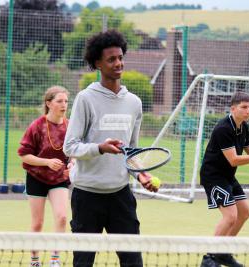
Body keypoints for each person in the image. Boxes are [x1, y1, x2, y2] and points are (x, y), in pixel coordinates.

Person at [63, 29, 158, 267]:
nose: (118, 63)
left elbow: (132, 152)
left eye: (120, 58)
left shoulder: (134, 103)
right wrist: (100, 148)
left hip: (121, 197)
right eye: (111, 59)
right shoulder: (85, 98)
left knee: (133, 262)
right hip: (86, 197)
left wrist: (142, 175)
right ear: (98, 63)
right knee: (83, 263)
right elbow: (70, 147)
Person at [199, 92, 249, 267]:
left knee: (244, 213)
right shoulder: (223, 129)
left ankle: (223, 252)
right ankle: (209, 257)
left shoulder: (243, 127)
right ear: (233, 108)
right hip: (213, 176)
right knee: (230, 217)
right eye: (244, 107)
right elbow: (234, 160)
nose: (248, 111)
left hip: (228, 176)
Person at [18, 86, 71, 267]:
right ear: (49, 103)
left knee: (62, 217)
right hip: (36, 178)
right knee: (37, 223)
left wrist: (72, 164)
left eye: (66, 101)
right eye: (59, 101)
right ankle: (34, 261)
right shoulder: (37, 126)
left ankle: (55, 259)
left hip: (59, 179)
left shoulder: (70, 126)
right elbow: (24, 155)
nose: (64, 105)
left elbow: (74, 153)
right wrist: (46, 162)